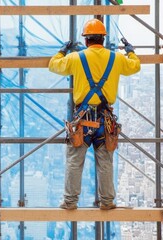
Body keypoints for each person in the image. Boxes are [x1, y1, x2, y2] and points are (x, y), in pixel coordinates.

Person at [48, 19, 140, 210]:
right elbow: (135, 66)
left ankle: (70, 202)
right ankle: (107, 202)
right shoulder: (116, 58)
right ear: (103, 39)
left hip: (83, 120)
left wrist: (63, 50)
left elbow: (53, 65)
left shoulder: (76, 58)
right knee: (105, 162)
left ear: (86, 40)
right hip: (105, 121)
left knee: (75, 161)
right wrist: (130, 51)